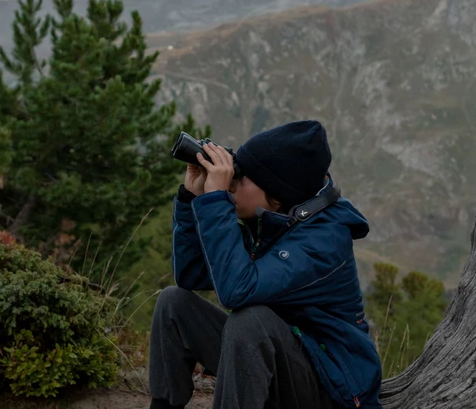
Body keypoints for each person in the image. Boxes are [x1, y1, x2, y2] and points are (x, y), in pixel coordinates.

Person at [149, 120, 382, 409]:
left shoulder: (323, 241)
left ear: (276, 197)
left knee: (250, 321)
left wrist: (216, 201)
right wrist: (190, 199)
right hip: (278, 365)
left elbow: (237, 291)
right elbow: (190, 275)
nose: (232, 180)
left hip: (329, 390)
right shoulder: (270, 222)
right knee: (173, 303)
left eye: (241, 176)